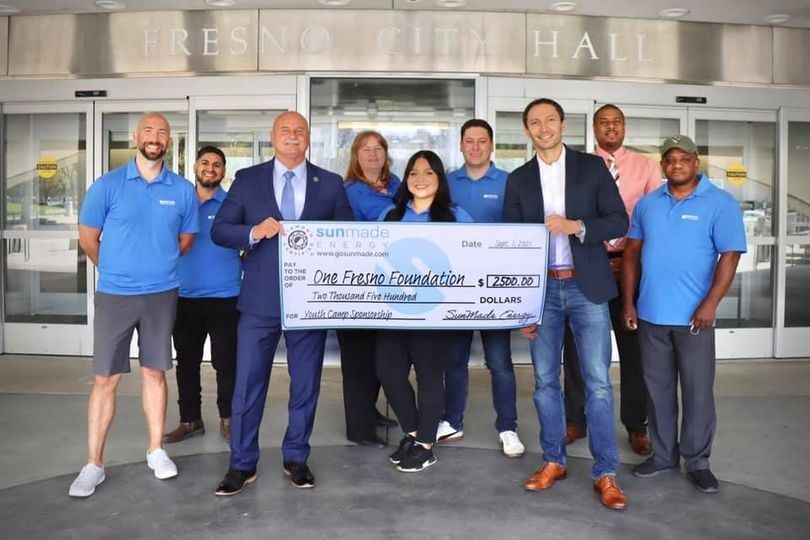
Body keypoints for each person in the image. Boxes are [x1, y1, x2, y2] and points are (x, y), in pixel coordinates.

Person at [211, 111, 353, 496]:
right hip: (259, 302)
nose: (293, 136)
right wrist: (254, 231)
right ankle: (241, 463)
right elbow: (220, 230)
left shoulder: (331, 184)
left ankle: (296, 458)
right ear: (273, 137)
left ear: (309, 139)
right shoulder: (247, 179)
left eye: (299, 131)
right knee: (247, 384)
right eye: (285, 130)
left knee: (305, 385)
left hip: (310, 302)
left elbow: (349, 238)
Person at [503, 98, 629, 510]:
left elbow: (618, 221)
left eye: (550, 120)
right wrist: (522, 305)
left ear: (563, 124)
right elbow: (511, 245)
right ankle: (554, 460)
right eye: (535, 122)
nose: (543, 128)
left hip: (585, 287)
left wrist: (577, 226)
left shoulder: (591, 168)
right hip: (542, 294)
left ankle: (606, 472)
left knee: (597, 383)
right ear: (527, 130)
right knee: (543, 382)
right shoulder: (519, 179)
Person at [70, 113, 198, 497]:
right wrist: (116, 269)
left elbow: (187, 237)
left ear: (169, 141)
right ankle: (94, 464)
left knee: (155, 373)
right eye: (148, 131)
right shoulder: (107, 185)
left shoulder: (182, 189)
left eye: (162, 132)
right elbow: (88, 238)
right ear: (135, 137)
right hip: (115, 294)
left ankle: (156, 450)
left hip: (162, 294)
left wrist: (157, 263)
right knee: (105, 379)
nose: (155, 138)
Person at [622, 135, 746, 494]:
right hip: (650, 316)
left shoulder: (720, 203)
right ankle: (662, 456)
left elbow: (730, 256)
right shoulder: (647, 205)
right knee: (657, 391)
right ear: (662, 165)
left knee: (697, 392)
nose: (676, 165)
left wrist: (710, 304)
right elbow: (631, 254)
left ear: (696, 163)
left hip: (694, 319)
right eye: (669, 159)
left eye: (684, 159)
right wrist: (629, 303)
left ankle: (698, 461)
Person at [562, 104, 662, 455]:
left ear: (624, 127)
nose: (610, 128)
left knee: (634, 350)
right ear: (594, 128)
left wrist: (632, 259)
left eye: (616, 122)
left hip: (630, 267)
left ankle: (637, 424)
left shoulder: (646, 166)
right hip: (588, 262)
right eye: (603, 123)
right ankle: (575, 419)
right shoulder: (578, 166)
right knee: (577, 349)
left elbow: (654, 217)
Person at [377, 150, 473, 473]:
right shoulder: (390, 215)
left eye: (429, 173)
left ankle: (426, 447)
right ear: (406, 179)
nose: (420, 179)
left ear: (439, 180)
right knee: (389, 372)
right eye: (414, 172)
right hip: (393, 313)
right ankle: (416, 433)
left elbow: (473, 261)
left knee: (431, 378)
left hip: (434, 315)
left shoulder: (456, 216)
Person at [438, 119, 524, 458]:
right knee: (454, 360)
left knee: (499, 362)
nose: (475, 147)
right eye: (469, 141)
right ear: (461, 145)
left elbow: (519, 234)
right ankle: (452, 421)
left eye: (482, 141)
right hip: (455, 288)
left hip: (493, 288)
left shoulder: (509, 183)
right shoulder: (445, 183)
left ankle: (508, 427)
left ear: (491, 146)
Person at [163, 146, 242, 444]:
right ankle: (190, 420)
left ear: (224, 172)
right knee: (186, 361)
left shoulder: (233, 205)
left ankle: (229, 419)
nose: (211, 168)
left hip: (226, 296)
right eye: (205, 163)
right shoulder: (179, 203)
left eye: (217, 164)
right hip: (184, 296)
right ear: (195, 167)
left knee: (226, 362)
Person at [337, 131, 402, 448]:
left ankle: (370, 411)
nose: (373, 154)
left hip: (390, 283)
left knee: (380, 356)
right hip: (357, 285)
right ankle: (358, 427)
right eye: (366, 149)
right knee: (358, 359)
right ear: (356, 156)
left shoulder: (397, 185)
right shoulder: (347, 191)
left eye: (378, 148)